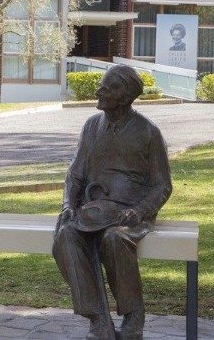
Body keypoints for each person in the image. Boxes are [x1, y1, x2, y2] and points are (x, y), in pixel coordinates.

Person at [52, 65, 173, 340]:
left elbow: (162, 185)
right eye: (101, 86)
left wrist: (140, 210)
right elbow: (75, 174)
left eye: (108, 87)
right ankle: (97, 318)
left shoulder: (148, 133)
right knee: (67, 235)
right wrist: (68, 205)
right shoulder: (91, 127)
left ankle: (133, 317)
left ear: (126, 95)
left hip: (131, 214)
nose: (100, 91)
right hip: (92, 211)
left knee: (114, 239)